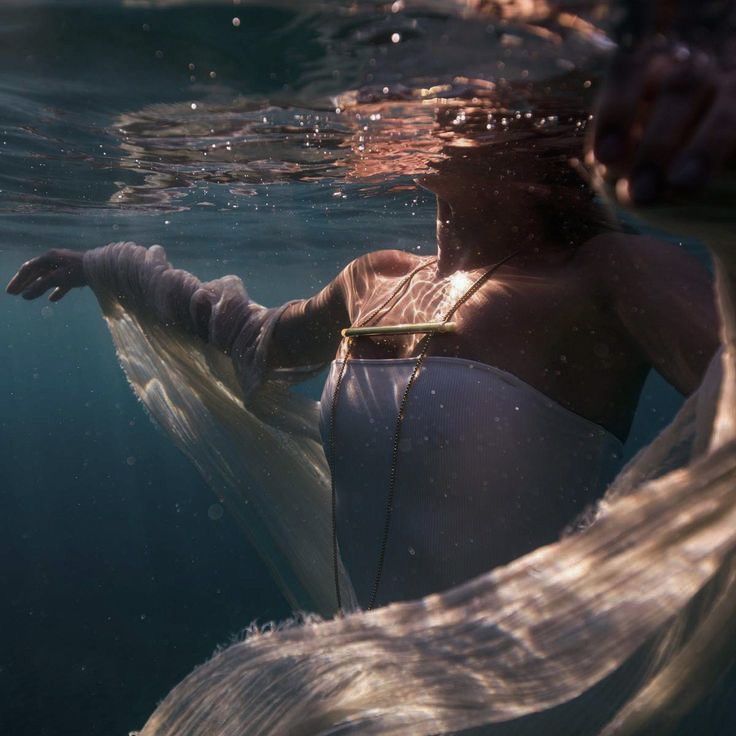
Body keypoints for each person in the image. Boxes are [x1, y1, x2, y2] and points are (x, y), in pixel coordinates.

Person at [6, 97, 719, 611]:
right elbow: (247, 338)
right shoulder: (373, 278)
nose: (403, 103)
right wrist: (114, 268)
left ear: (535, 125)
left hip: (524, 703)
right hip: (366, 692)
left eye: (452, 98)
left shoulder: (613, 273)